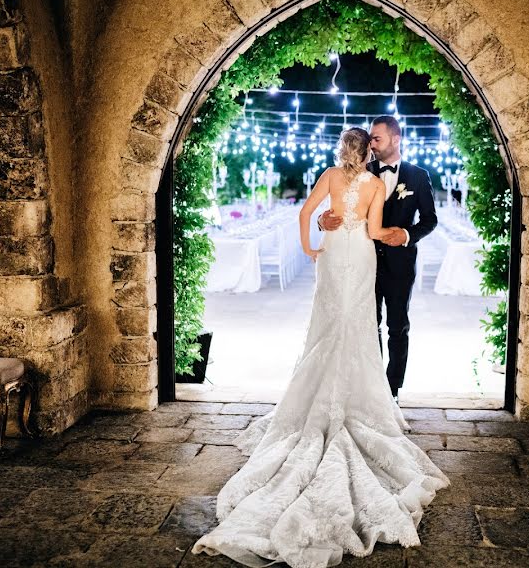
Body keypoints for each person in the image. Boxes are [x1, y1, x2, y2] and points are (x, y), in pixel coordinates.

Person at [192, 127, 449, 568]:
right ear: (366, 150)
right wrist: (363, 229)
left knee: (341, 325)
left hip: (337, 256)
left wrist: (318, 241)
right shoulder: (370, 184)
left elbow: (308, 213)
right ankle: (363, 402)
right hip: (363, 255)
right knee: (355, 326)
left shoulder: (338, 174)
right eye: (371, 142)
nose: (376, 145)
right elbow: (368, 229)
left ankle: (379, 394)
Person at [319, 116, 437, 403]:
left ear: (395, 139)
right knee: (365, 324)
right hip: (362, 261)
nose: (370, 143)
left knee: (398, 326)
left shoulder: (418, 176)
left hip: (399, 263)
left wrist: (407, 235)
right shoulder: (359, 170)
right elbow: (333, 211)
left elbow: (430, 219)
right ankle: (370, 389)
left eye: (377, 138)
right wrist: (322, 223)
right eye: (370, 138)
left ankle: (392, 391)